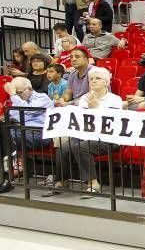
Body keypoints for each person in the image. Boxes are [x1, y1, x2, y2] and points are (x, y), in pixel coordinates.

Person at [46, 67, 123, 197]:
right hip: (85, 134)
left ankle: (93, 183)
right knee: (64, 147)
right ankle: (62, 181)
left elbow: (111, 123)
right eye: (91, 79)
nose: (93, 81)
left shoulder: (115, 99)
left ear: (106, 82)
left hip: (107, 138)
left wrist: (96, 108)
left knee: (82, 147)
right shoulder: (84, 99)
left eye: (97, 78)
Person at [4, 76, 53, 151]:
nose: (17, 96)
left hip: (40, 133)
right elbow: (15, 116)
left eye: (19, 93)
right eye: (16, 93)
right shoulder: (19, 100)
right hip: (20, 130)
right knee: (4, 133)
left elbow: (27, 110)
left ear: (30, 89)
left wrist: (13, 94)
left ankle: (11, 159)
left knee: (10, 137)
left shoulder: (43, 98)